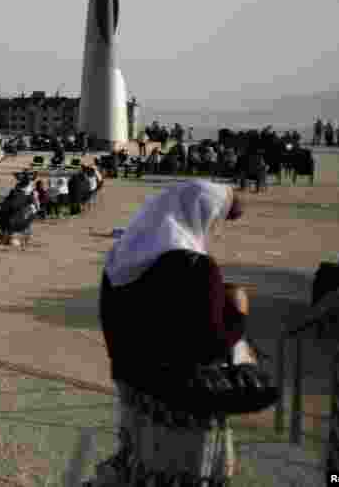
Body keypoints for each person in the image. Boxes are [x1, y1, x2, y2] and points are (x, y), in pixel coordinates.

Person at [91, 180, 248, 486]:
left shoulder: (121, 259)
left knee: (140, 468)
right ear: (201, 216)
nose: (214, 229)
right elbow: (212, 346)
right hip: (182, 404)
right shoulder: (198, 268)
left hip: (134, 394)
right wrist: (238, 314)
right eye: (214, 221)